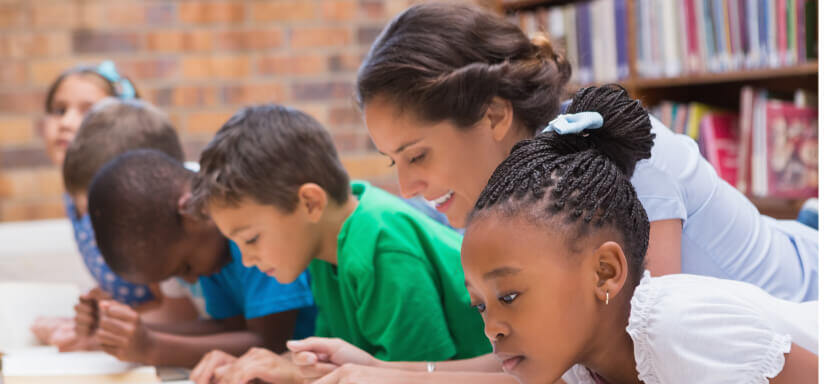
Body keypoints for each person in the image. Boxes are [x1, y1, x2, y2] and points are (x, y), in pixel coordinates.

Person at [355, 3, 817, 302]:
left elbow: (655, 357)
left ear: (493, 115)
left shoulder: (619, 155)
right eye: (393, 162)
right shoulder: (506, 202)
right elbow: (531, 362)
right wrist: (379, 373)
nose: (407, 188)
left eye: (417, 156)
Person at [459, 89, 817, 383]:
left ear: (605, 272)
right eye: (480, 306)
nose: (491, 329)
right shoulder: (579, 363)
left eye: (509, 295)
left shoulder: (676, 325)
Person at [185, 105, 490, 384]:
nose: (248, 260)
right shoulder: (322, 247)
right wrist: (264, 366)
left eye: (251, 239)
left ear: (310, 203)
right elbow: (334, 363)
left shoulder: (381, 244)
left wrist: (294, 373)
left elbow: (410, 376)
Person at [84, 149, 317, 368]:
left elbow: (270, 342)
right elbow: (228, 328)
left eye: (185, 266)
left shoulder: (250, 235)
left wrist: (152, 348)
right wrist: (131, 331)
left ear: (191, 217)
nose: (193, 279)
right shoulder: (212, 252)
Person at [31, 62, 190, 349]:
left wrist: (97, 334)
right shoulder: (74, 195)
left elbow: (178, 308)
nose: (66, 122)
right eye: (58, 110)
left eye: (88, 111)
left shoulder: (134, 205)